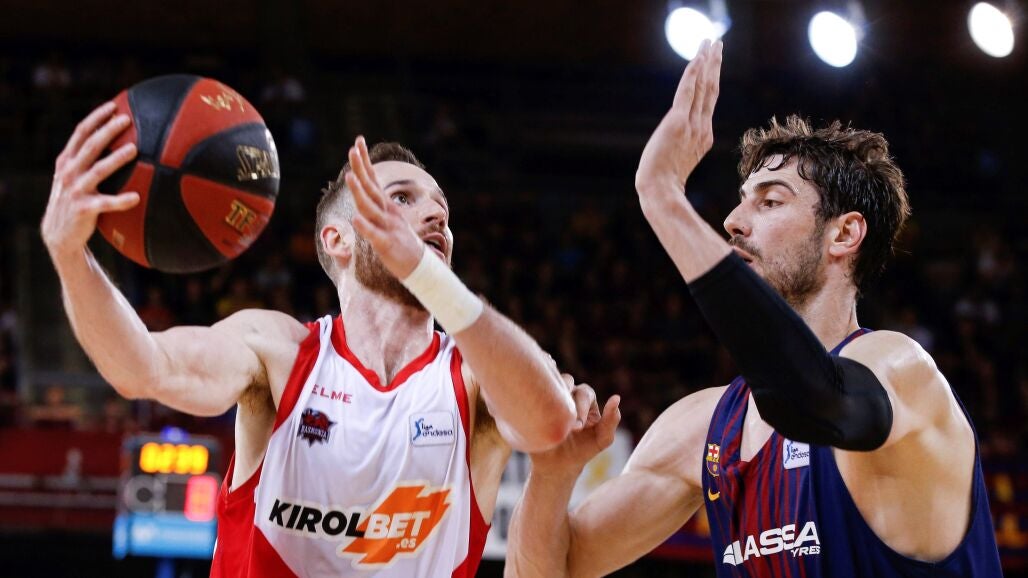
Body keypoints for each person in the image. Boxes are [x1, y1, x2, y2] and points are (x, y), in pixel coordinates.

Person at [506, 40, 1002, 577]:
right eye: (742, 200)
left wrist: (663, 197)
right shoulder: (701, 427)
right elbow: (545, 571)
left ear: (844, 234)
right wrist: (551, 474)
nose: (733, 222)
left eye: (770, 201)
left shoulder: (902, 373)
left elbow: (810, 402)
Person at [41, 102, 587, 576]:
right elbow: (142, 368)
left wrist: (433, 281)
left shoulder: (473, 375)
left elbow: (551, 423)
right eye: (401, 198)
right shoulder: (278, 353)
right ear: (338, 239)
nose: (434, 215)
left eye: (440, 208)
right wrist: (70, 256)